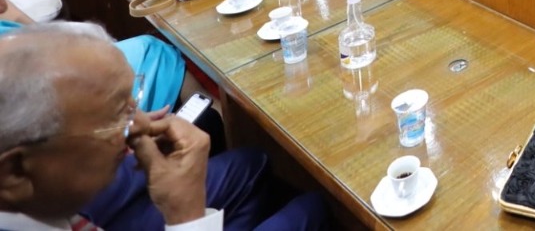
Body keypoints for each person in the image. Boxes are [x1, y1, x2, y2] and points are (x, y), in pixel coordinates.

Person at [0, 22, 328, 231]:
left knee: (251, 162)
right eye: (116, 117)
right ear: (15, 172)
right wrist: (185, 216)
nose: (144, 124)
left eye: (133, 102)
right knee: (314, 208)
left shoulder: (35, 195)